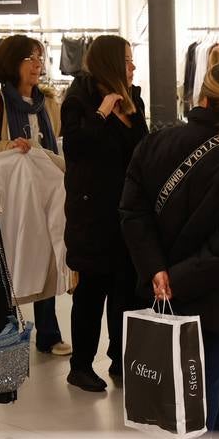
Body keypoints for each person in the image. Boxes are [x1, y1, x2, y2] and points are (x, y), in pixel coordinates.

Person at [120, 60, 219, 436]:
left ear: (201, 97)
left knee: (191, 395)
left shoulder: (153, 144)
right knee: (204, 394)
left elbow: (132, 213)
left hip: (162, 293)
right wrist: (175, 278)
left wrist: (157, 271)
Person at [0, 34, 70, 357]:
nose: (37, 65)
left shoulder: (49, 105)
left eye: (40, 57)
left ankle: (48, 332)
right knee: (11, 258)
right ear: (12, 63)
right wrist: (8, 147)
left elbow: (57, 145)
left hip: (44, 193)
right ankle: (7, 332)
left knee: (46, 254)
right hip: (7, 200)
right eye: (29, 58)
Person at [61, 34, 148, 392]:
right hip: (91, 216)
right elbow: (77, 148)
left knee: (124, 291)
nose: (133, 66)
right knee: (91, 294)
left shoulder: (134, 99)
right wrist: (101, 112)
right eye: (127, 60)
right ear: (112, 63)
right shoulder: (79, 98)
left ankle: (121, 360)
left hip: (125, 214)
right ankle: (80, 365)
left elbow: (142, 148)